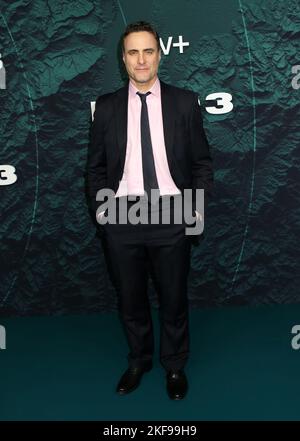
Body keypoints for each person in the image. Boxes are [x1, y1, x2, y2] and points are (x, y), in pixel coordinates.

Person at [87, 21, 213, 400]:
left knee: (174, 297)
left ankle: (174, 365)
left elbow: (201, 164)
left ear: (159, 54)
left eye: (148, 51)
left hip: (173, 213)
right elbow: (94, 168)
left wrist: (195, 212)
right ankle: (138, 360)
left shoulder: (185, 102)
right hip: (122, 216)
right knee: (130, 298)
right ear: (122, 59)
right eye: (132, 52)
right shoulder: (106, 107)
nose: (141, 60)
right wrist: (103, 215)